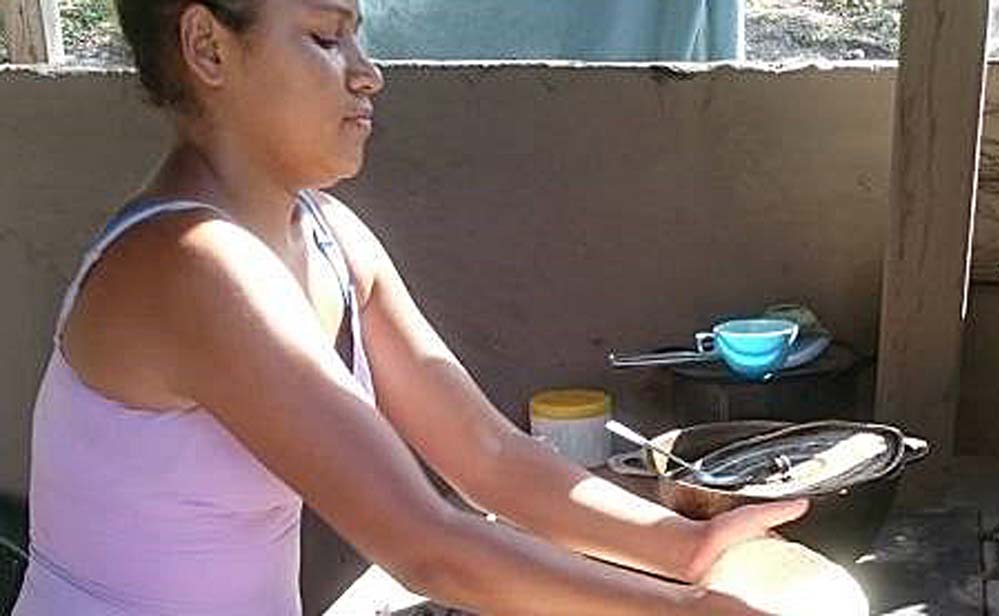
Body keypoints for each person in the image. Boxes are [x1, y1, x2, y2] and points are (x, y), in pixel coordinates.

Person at [12, 0, 810, 613]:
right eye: (325, 38)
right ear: (208, 48)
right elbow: (424, 545)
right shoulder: (186, 268)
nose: (367, 72)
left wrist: (684, 549)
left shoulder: (328, 235)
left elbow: (487, 459)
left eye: (359, 35)